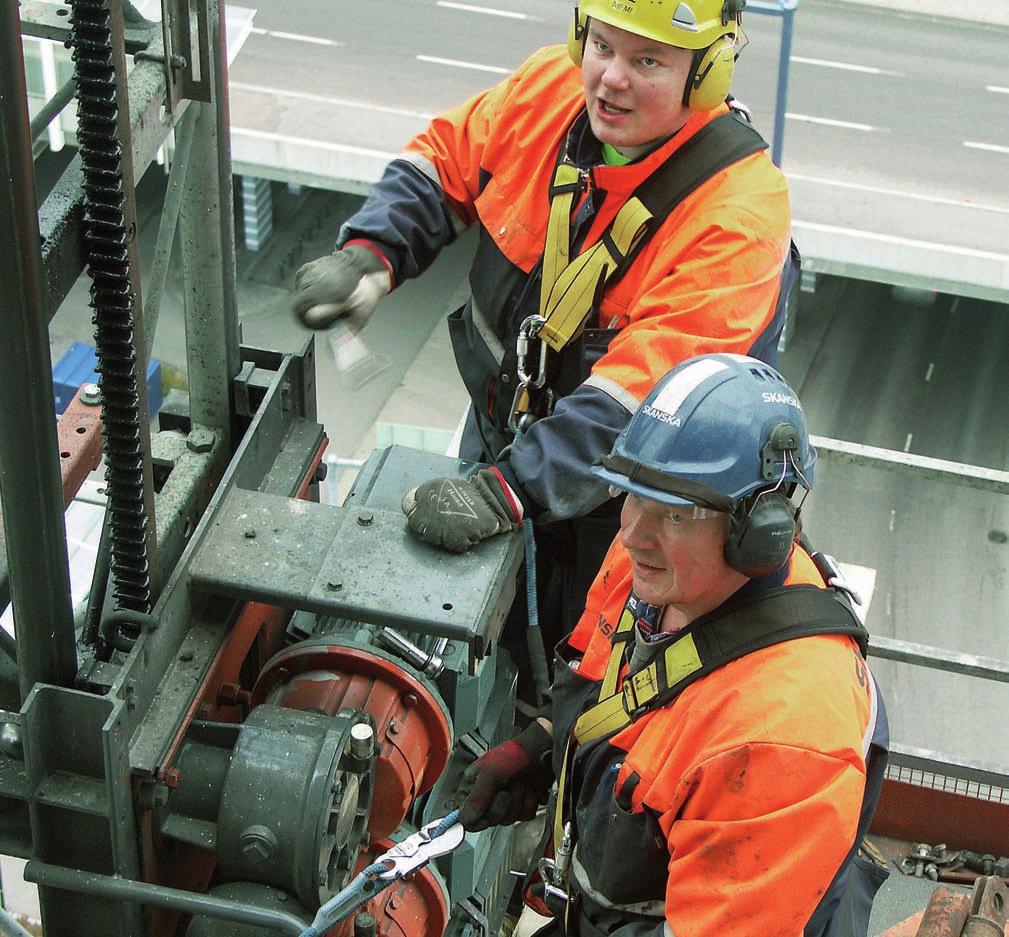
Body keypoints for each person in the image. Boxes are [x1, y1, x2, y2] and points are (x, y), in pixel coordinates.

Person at [293, 0, 796, 654]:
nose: (611, 78)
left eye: (647, 60)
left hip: (630, 517)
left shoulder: (737, 214)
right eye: (602, 47)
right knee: (472, 634)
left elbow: (643, 404)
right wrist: (369, 253)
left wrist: (506, 492)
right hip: (505, 444)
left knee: (581, 668)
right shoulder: (547, 93)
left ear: (706, 74)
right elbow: (447, 159)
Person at [456, 354, 890, 937]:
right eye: (631, 496)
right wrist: (541, 749)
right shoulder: (652, 571)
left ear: (759, 532)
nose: (633, 533)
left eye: (677, 514)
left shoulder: (780, 737)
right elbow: (610, 687)